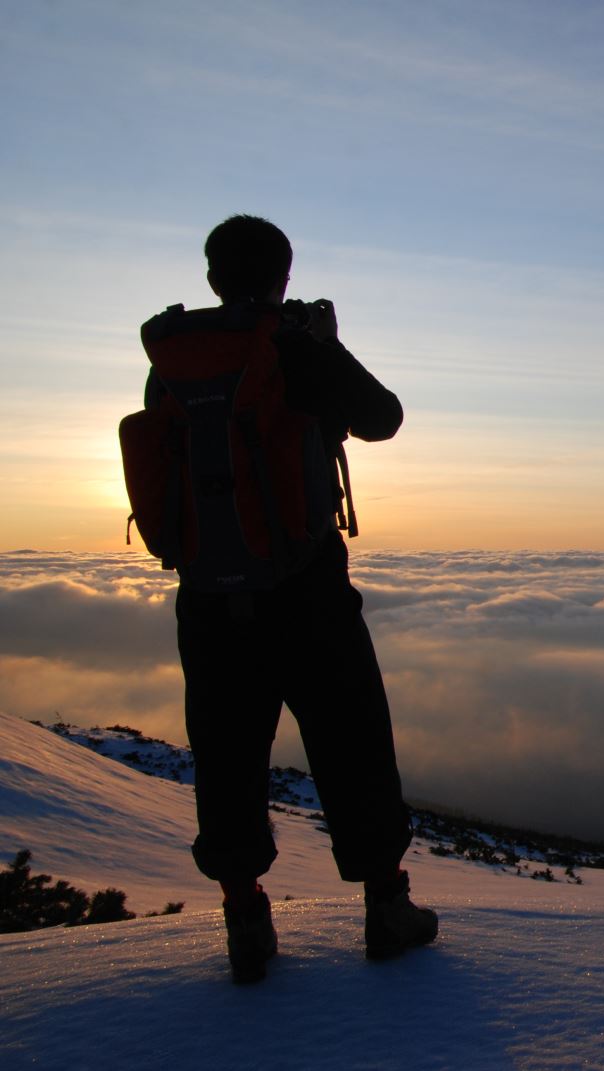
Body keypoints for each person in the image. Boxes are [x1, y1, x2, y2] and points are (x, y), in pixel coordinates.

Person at [152, 214, 436, 983]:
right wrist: (321, 341)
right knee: (353, 745)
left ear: (213, 278)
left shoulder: (174, 359)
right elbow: (383, 417)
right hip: (307, 591)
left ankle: (246, 920)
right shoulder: (294, 349)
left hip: (209, 598)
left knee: (226, 754)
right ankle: (386, 908)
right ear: (282, 276)